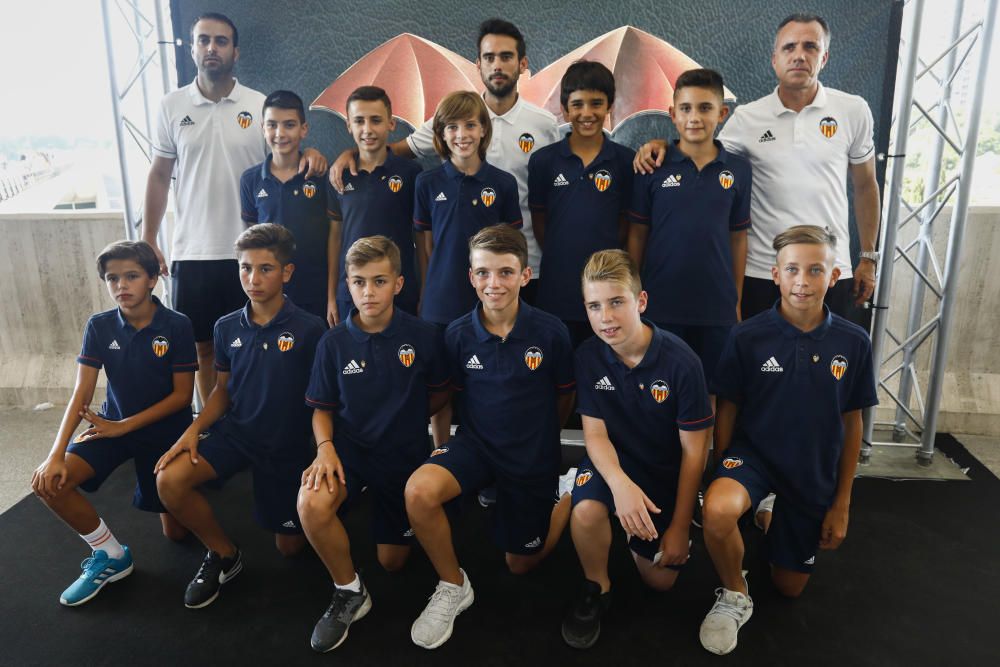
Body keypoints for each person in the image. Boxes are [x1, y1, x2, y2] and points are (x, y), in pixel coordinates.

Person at [698, 225, 877, 655]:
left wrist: (842, 503)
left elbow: (852, 422)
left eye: (814, 270)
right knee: (719, 512)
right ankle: (735, 592)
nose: (802, 280)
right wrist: (720, 467)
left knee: (789, 587)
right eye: (792, 269)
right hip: (753, 457)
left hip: (811, 469)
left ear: (833, 277)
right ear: (775, 275)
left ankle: (770, 513)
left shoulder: (853, 342)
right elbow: (728, 406)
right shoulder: (746, 336)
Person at [634, 13, 880, 321]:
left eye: (810, 47)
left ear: (825, 57)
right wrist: (661, 146)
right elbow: (702, 152)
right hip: (764, 272)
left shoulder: (853, 110)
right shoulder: (747, 119)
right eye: (789, 48)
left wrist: (868, 257)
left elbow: (866, 185)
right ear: (774, 59)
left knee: (823, 365)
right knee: (760, 367)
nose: (799, 56)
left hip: (831, 269)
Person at [403, 225, 575, 649]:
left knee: (520, 564)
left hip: (531, 456)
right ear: (470, 277)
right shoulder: (458, 334)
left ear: (525, 275)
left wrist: (539, 443)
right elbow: (450, 398)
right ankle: (452, 585)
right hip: (477, 447)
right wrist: (438, 449)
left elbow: (564, 400)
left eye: (504, 272)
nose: (493, 283)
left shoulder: (551, 332)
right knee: (419, 492)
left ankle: (566, 494)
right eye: (483, 273)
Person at [142, 12, 326, 404]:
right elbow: (159, 176)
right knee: (203, 349)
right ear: (192, 48)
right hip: (193, 251)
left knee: (258, 345)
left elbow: (282, 152)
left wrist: (309, 150)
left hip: (253, 257)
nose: (212, 48)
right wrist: (147, 240)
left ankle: (254, 420)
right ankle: (211, 430)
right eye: (204, 40)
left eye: (221, 41)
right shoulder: (171, 106)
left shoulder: (258, 106)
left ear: (235, 52)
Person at [154, 224, 326, 609]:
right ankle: (224, 555)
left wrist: (322, 451)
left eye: (265, 268)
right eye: (245, 268)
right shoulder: (226, 326)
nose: (253, 278)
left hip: (285, 445)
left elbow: (323, 400)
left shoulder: (311, 329)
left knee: (290, 548)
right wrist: (194, 429)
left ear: (287, 273)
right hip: (236, 435)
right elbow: (221, 390)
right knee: (170, 479)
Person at [330, 18, 560, 303]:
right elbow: (394, 150)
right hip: (452, 272)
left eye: (506, 57)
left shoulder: (545, 124)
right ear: (479, 64)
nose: (497, 65)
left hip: (524, 266)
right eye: (489, 57)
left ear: (522, 64)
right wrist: (351, 153)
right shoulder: (453, 116)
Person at [297, 236, 450, 652]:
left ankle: (384, 515)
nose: (368, 292)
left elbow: (440, 396)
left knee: (393, 562)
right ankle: (349, 591)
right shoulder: (333, 342)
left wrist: (436, 447)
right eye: (359, 281)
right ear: (347, 284)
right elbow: (321, 407)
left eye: (379, 281)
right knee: (310, 503)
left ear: (398, 284)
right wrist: (324, 447)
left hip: (403, 457)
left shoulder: (423, 336)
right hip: (349, 452)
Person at [30, 240, 196, 606]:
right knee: (51, 483)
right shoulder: (99, 326)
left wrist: (127, 426)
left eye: (132, 276)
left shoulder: (177, 325)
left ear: (152, 279)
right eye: (112, 278)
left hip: (164, 433)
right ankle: (112, 556)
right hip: (110, 427)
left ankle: (188, 483)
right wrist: (55, 453)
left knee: (177, 535)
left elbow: (183, 397)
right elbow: (81, 394)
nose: (121, 285)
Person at [561, 250, 713, 649]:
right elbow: (594, 436)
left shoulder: (683, 363)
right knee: (587, 510)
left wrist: (680, 526)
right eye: (595, 306)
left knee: (660, 581)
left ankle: (637, 525)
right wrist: (620, 487)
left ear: (640, 302)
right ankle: (597, 584)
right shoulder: (588, 356)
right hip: (612, 464)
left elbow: (695, 452)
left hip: (662, 469)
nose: (606, 317)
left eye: (616, 302)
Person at [627, 67, 751, 393]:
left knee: (714, 391)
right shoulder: (651, 165)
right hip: (661, 302)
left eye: (705, 108)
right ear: (672, 114)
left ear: (722, 113)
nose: (694, 117)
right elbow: (638, 233)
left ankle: (712, 448)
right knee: (661, 388)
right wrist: (632, 291)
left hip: (716, 306)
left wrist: (735, 299)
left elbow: (738, 237)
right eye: (685, 108)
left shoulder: (737, 170)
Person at [413, 90, 521, 446]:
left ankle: (487, 457)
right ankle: (441, 452)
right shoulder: (427, 183)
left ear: (483, 130)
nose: (462, 134)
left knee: (485, 383)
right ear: (441, 134)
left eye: (470, 125)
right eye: (452, 126)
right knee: (440, 382)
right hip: (440, 301)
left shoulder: (502, 183)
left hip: (487, 302)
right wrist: (426, 295)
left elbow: (510, 248)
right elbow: (426, 247)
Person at [528, 61, 634, 347]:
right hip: (557, 286)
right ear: (564, 109)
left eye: (596, 103)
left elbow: (626, 223)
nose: (587, 113)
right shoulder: (543, 162)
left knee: (603, 370)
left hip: (607, 288)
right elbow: (540, 221)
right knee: (560, 370)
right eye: (577, 104)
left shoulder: (625, 161)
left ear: (610, 105)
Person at [327, 87, 423, 326]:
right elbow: (335, 239)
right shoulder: (338, 176)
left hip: (400, 289)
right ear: (349, 125)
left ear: (391, 124)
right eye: (359, 121)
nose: (367, 129)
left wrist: (425, 290)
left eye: (376, 120)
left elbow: (422, 240)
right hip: (351, 291)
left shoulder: (411, 173)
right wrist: (331, 296)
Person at [240, 90, 335, 323]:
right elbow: (252, 238)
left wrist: (332, 295)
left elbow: (335, 237)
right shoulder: (250, 180)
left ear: (304, 129)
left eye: (289, 125)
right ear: (263, 127)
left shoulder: (321, 175)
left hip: (316, 291)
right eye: (272, 125)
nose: (280, 133)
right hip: (272, 294)